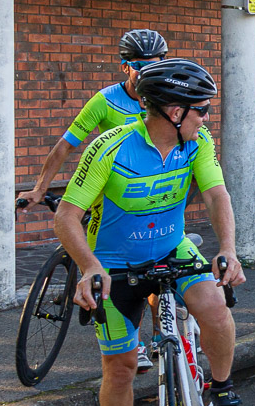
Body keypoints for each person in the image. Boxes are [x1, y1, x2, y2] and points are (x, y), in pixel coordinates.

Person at [55, 59, 245, 406]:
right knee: (121, 367)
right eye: (201, 109)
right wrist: (89, 266)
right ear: (174, 113)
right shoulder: (111, 148)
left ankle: (222, 389)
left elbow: (216, 194)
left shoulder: (197, 143)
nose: (206, 118)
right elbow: (66, 217)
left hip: (171, 247)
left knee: (216, 308)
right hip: (113, 264)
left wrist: (228, 249)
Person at [21, 27, 168, 373]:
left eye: (155, 64)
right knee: (115, 266)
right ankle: (130, 337)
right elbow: (66, 145)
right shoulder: (105, 101)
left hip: (153, 197)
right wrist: (40, 189)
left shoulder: (167, 100)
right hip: (109, 194)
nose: (147, 71)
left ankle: (159, 334)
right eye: (140, 65)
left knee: (153, 270)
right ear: (125, 67)